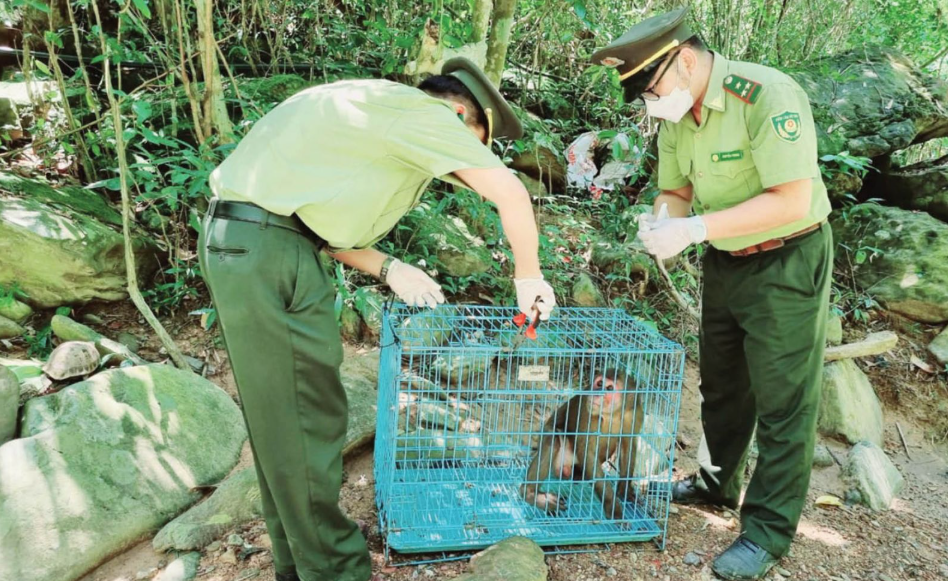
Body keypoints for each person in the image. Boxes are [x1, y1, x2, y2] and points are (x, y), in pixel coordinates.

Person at [198, 57, 556, 581]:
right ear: (461, 115)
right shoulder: (425, 115)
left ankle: (296, 566)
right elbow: (509, 191)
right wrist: (529, 277)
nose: (469, 161)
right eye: (478, 145)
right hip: (270, 253)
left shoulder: (373, 104)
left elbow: (318, 227)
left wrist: (390, 268)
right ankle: (337, 571)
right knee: (307, 420)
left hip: (247, 244)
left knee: (280, 426)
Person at [591, 7, 833, 580]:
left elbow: (792, 199)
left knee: (783, 400)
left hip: (788, 256)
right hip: (727, 260)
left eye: (652, 89)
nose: (651, 104)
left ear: (688, 60)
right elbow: (675, 190)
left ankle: (767, 532)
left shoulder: (767, 95)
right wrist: (661, 223)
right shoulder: (678, 116)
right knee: (722, 384)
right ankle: (715, 483)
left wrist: (694, 229)